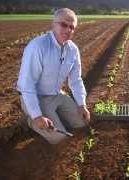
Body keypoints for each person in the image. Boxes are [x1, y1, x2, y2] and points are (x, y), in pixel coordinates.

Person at [17, 8, 90, 144]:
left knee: (82, 123)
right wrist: (37, 116)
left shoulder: (73, 49)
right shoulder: (38, 46)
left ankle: (55, 115)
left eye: (72, 27)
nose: (68, 30)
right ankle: (30, 119)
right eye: (64, 25)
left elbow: (76, 79)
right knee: (60, 138)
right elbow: (26, 85)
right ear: (53, 24)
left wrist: (81, 104)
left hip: (56, 94)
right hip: (37, 97)